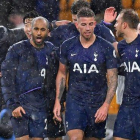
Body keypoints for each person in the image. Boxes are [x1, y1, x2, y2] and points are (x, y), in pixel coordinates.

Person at [53, 7, 118, 140]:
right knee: (75, 138)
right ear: (77, 25)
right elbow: (62, 74)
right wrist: (57, 101)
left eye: (90, 24)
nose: (87, 28)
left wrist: (106, 106)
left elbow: (113, 79)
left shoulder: (106, 47)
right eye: (83, 24)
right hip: (75, 102)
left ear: (95, 24)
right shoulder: (67, 46)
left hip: (97, 103)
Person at [1, 16, 54, 140]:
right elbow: (7, 80)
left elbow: (54, 78)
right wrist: (13, 104)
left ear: (47, 31)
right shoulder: (16, 49)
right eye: (36, 29)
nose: (39, 33)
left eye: (42, 29)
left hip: (41, 106)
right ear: (31, 30)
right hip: (21, 105)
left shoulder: (51, 50)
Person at [113, 9, 140, 140]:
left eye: (117, 22)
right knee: (118, 137)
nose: (115, 25)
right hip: (127, 103)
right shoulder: (121, 46)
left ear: (124, 25)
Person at [50, 0, 118, 49]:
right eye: (75, 20)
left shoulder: (100, 30)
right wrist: (53, 24)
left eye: (82, 22)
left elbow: (114, 49)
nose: (78, 25)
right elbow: (43, 36)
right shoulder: (64, 30)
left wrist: (106, 24)